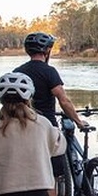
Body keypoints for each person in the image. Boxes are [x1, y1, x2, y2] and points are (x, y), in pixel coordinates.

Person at [14, 32, 85, 181]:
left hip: (22, 124)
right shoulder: (49, 72)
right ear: (47, 51)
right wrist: (78, 122)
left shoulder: (17, 72)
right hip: (46, 126)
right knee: (54, 173)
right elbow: (63, 100)